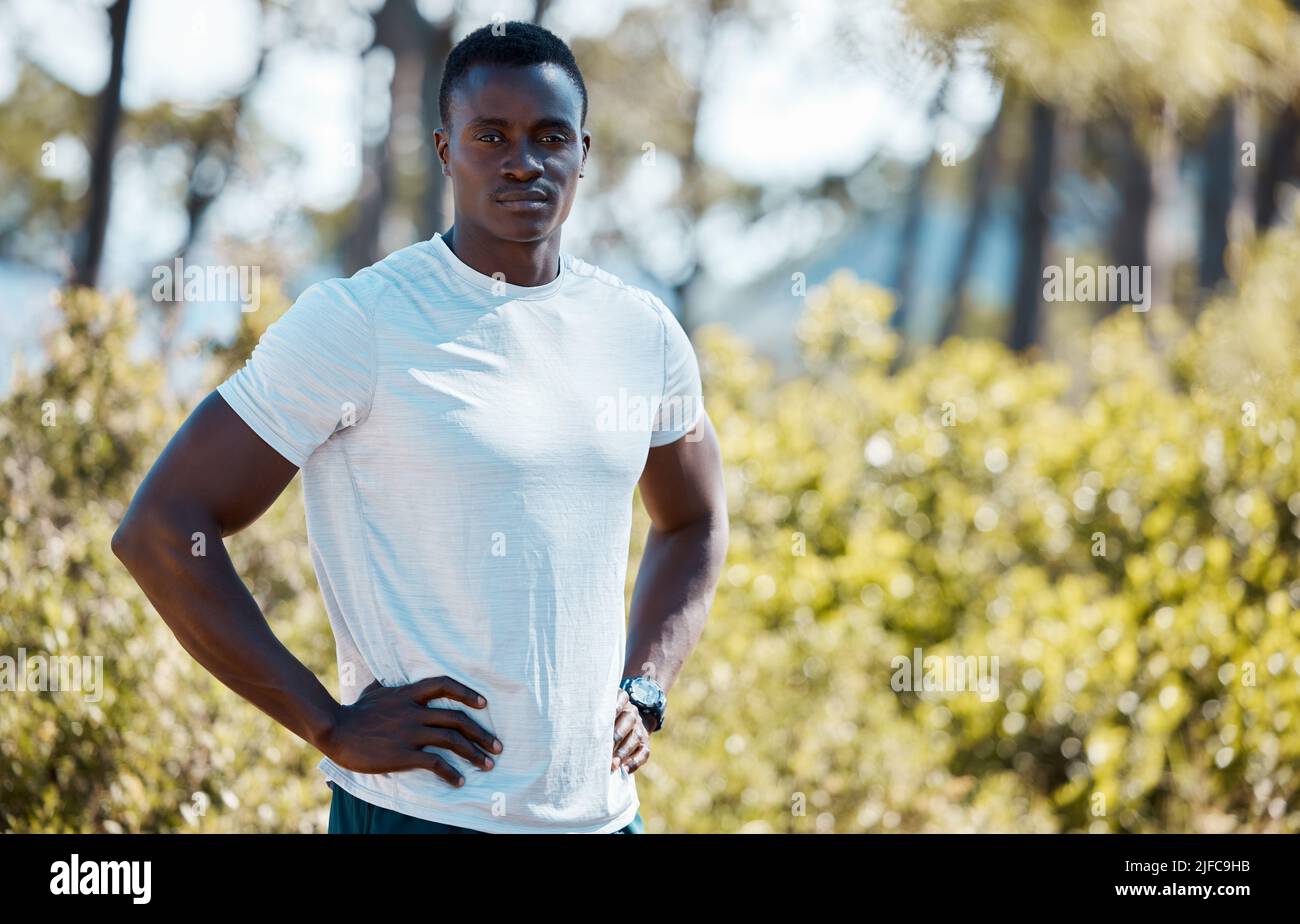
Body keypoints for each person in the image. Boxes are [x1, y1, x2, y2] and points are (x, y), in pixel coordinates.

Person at [112, 19, 728, 834]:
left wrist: (645, 684)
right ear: (445, 149)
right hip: (420, 814)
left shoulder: (639, 332)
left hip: (603, 818)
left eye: (549, 137)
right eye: (490, 136)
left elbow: (692, 519)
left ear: (584, 151)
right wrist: (325, 721)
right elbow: (159, 528)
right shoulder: (360, 321)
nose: (523, 160)